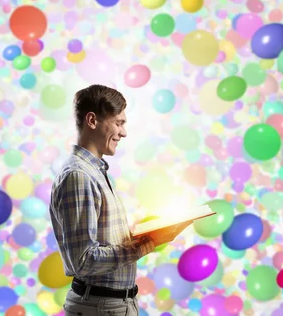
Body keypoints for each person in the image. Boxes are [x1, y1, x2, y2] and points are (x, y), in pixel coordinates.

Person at [49, 84, 191, 316]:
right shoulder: (79, 176)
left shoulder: (95, 171)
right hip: (100, 307)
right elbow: (83, 261)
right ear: (92, 121)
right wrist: (147, 244)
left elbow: (99, 241)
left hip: (109, 305)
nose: (123, 133)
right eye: (118, 123)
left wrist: (138, 235)